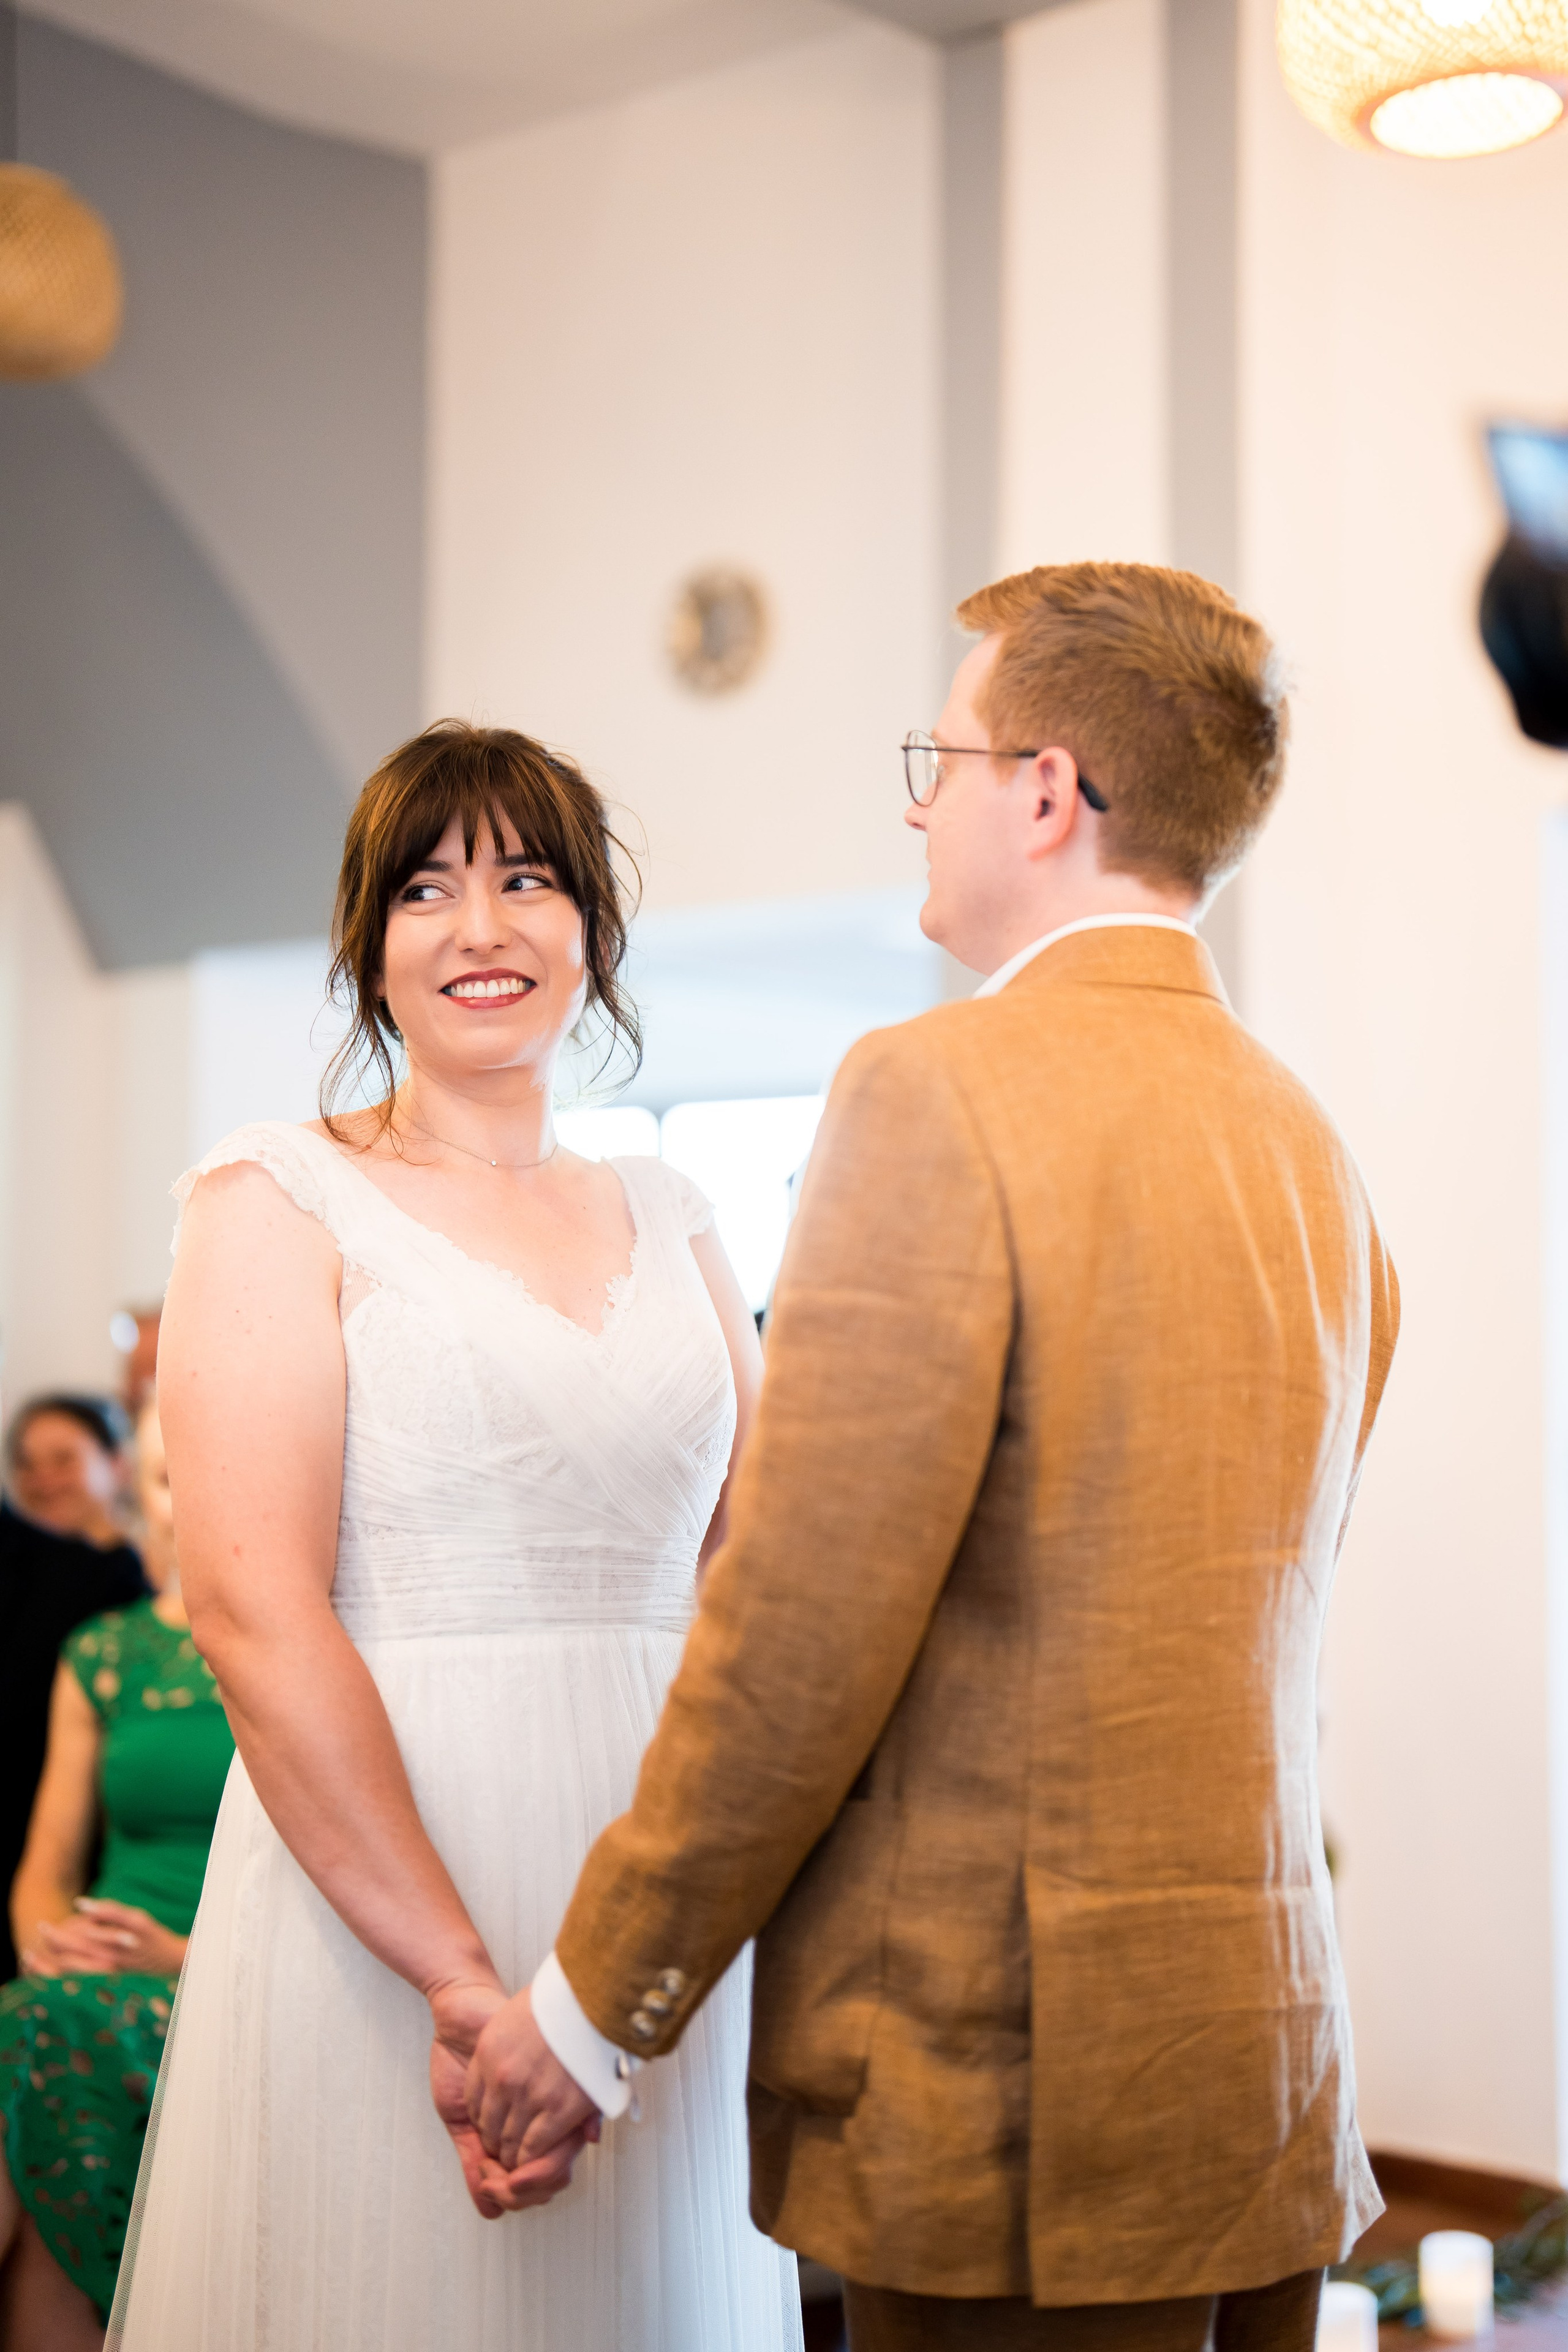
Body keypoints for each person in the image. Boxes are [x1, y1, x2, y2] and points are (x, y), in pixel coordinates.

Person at [467, 562, 1401, 2352]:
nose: (918, 803)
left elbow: (800, 1630)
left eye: (941, 757)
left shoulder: (935, 1090)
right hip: (1255, 2068)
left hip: (1006, 2082)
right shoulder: (1306, 1146)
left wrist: (593, 2001)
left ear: (1044, 791)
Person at [107, 724, 804, 2351]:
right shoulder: (274, 1199)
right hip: (389, 1879)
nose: (478, 928)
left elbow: (757, 1577)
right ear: (370, 949)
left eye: (526, 881)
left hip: (647, 1898)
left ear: (592, 933)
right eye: (424, 891)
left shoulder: (676, 1216)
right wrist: (459, 1981)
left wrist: (651, 1943)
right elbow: (254, 1615)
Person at [0, 1401, 232, 2345]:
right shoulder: (99, 1653)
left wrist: (182, 1956)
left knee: (31, 2038)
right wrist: (54, 1949)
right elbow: (45, 1869)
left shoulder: (315, 1650)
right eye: (170, 1480)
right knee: (37, 2025)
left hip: (225, 1975)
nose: (195, 1499)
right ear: (139, 1496)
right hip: (93, 1977)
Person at [0, 1398, 145, 1981]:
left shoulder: (137, 1581)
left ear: (118, 1465)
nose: (43, 1479)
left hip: (94, 1840)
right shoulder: (18, 1572)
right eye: (27, 1463)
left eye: (64, 1459)